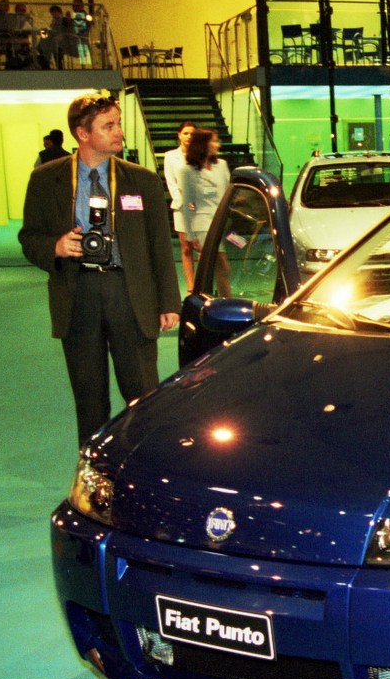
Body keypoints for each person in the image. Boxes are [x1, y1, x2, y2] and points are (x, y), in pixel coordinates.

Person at [17, 93, 181, 445]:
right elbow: (29, 238)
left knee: (143, 394)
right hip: (77, 294)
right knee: (89, 399)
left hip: (130, 294)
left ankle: (144, 461)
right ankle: (94, 467)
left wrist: (169, 301)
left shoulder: (142, 180)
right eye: (109, 125)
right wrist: (55, 247)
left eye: (118, 123)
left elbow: (159, 245)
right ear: (83, 133)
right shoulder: (46, 179)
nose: (119, 131)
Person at [179, 128, 233, 297]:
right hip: (203, 225)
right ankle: (226, 300)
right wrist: (190, 234)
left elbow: (228, 192)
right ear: (203, 145)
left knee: (211, 267)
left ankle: (204, 296)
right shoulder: (187, 171)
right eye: (214, 141)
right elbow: (188, 203)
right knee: (222, 266)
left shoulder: (222, 165)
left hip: (223, 223)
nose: (218, 145)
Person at [163, 120, 196, 286]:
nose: (189, 137)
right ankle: (191, 286)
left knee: (201, 247)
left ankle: (203, 284)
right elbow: (171, 182)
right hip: (181, 207)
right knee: (186, 248)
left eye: (192, 134)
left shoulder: (201, 155)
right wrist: (183, 201)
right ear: (179, 135)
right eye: (186, 133)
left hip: (199, 207)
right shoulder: (170, 156)